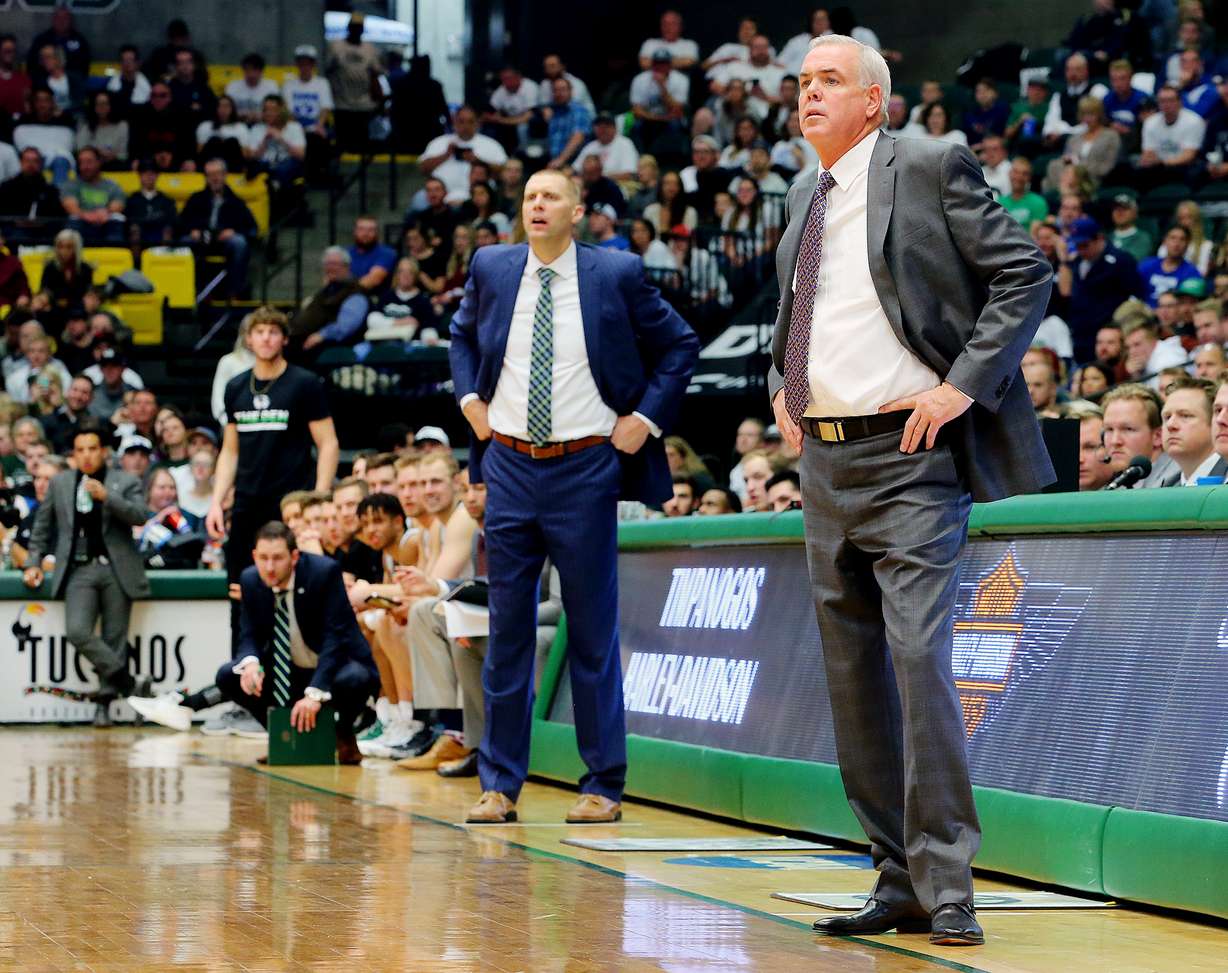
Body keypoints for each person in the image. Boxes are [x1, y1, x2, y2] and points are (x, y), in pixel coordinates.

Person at [767, 34, 1054, 947]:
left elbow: (1024, 273)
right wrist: (783, 378)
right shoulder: (801, 193)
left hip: (911, 454)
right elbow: (805, 309)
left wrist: (959, 384)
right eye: (802, 82)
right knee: (853, 681)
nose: (808, 94)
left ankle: (949, 877)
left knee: (919, 660)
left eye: (828, 82)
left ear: (874, 101)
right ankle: (895, 873)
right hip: (824, 462)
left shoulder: (929, 163)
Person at [449, 167, 698, 825]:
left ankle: (602, 784)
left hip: (586, 466)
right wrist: (471, 402)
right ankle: (498, 783)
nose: (536, 204)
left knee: (590, 630)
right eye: (529, 196)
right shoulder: (494, 266)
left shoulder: (614, 272)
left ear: (578, 210)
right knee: (506, 628)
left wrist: (642, 420)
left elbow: (679, 344)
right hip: (507, 463)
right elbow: (460, 335)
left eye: (550, 195)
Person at [206, 306, 340, 638]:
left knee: (295, 588)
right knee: (240, 591)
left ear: (283, 339)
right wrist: (215, 500)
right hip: (248, 502)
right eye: (259, 332)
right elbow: (230, 450)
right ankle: (243, 668)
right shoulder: (236, 386)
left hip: (290, 502)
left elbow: (328, 443)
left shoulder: (304, 383)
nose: (266, 338)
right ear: (249, 339)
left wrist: (318, 497)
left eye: (273, 331)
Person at [216, 522, 380, 765]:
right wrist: (250, 664)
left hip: (334, 667)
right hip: (289, 670)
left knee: (356, 678)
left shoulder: (323, 572)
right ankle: (280, 734)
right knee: (229, 675)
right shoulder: (251, 579)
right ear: (254, 556)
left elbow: (335, 638)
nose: (269, 567)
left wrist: (316, 692)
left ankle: (343, 733)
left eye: (278, 558)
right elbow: (248, 634)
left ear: (294, 556)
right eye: (263, 558)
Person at [23, 421, 153, 726]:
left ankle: (104, 705)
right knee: (78, 631)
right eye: (80, 450)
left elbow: (140, 516)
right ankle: (131, 684)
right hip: (79, 569)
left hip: (117, 569)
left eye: (92, 449)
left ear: (104, 451)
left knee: (114, 637)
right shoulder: (61, 483)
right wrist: (32, 562)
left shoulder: (124, 480)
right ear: (73, 454)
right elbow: (42, 527)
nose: (86, 456)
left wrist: (108, 497)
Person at [1057, 217, 1144, 362]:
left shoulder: (1120, 261)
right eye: (1077, 245)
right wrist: (1065, 261)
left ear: (1099, 238)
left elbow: (1135, 297)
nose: (1081, 250)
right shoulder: (1076, 262)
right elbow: (1066, 292)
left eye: (1085, 245)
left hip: (1107, 336)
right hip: (1080, 334)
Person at [178, 159, 258, 298]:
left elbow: (252, 228)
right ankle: (187, 293)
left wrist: (234, 231)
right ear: (206, 178)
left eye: (218, 174)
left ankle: (235, 293)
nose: (215, 178)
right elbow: (179, 224)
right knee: (183, 242)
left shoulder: (236, 201)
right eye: (211, 175)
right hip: (200, 241)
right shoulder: (196, 198)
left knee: (239, 242)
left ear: (225, 175)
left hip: (225, 243)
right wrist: (192, 230)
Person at [418, 105, 508, 204]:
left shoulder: (491, 144)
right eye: (461, 121)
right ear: (454, 122)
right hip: (439, 197)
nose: (466, 126)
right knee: (419, 201)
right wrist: (445, 155)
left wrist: (477, 161)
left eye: (470, 121)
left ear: (478, 123)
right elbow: (423, 169)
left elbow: (504, 171)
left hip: (478, 197)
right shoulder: (439, 142)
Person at [325, 12, 383, 152]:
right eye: (354, 27)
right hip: (342, 104)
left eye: (359, 27)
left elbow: (375, 74)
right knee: (343, 144)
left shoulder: (370, 48)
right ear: (348, 28)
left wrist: (378, 98)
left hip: (364, 105)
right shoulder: (336, 46)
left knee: (361, 144)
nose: (356, 30)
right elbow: (327, 70)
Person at [1159, 376, 1225, 485]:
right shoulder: (1167, 486)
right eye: (1167, 417)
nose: (1170, 425)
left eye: (1185, 416)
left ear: (1214, 422)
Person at [61, 147, 127, 243]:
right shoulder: (71, 184)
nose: (85, 166)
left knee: (116, 219)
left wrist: (106, 212)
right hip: (81, 223)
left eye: (89, 162)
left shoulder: (112, 185)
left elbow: (118, 204)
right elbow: (70, 206)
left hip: (105, 221)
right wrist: (86, 215)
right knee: (73, 220)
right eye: (81, 163)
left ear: (99, 162)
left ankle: (112, 251)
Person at [126, 158, 178, 245]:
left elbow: (173, 220)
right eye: (145, 173)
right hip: (139, 234)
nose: (149, 176)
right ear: (139, 176)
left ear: (157, 175)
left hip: (160, 232)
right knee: (134, 231)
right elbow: (128, 220)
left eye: (152, 173)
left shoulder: (166, 200)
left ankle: (163, 257)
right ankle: (136, 258)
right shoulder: (132, 199)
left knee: (167, 231)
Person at [575, 114, 639, 182]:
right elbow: (575, 169)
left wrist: (598, 179)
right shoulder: (590, 146)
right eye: (599, 126)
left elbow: (629, 175)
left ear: (615, 128)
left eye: (607, 126)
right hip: (591, 186)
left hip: (617, 186)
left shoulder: (625, 143)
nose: (603, 129)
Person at [75, 92, 129, 170]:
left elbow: (123, 154)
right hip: (90, 166)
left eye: (105, 104)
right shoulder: (85, 126)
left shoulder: (122, 126)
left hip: (115, 164)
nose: (101, 107)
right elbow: (80, 149)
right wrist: (97, 154)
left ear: (111, 105)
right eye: (98, 104)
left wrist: (113, 156)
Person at [347, 215, 397, 293]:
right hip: (345, 297)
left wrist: (342, 292)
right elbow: (331, 278)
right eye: (361, 229)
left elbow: (372, 280)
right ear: (355, 231)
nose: (365, 234)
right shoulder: (346, 253)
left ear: (377, 233)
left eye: (371, 230)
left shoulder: (387, 253)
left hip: (374, 299)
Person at [225, 53, 279, 125]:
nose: (251, 74)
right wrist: (242, 116)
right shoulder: (232, 86)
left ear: (261, 71)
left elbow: (277, 112)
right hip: (238, 125)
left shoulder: (271, 87)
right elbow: (225, 110)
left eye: (254, 70)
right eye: (248, 70)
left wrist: (259, 116)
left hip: (263, 125)